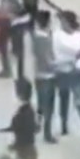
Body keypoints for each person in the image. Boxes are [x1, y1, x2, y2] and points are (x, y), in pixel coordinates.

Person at [52, 10, 80, 136]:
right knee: (66, 98)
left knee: (77, 99)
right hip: (65, 71)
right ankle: (65, 124)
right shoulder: (59, 35)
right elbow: (79, 51)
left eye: (63, 21)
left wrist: (79, 55)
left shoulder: (76, 36)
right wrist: (78, 55)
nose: (61, 24)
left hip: (71, 72)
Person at [31, 9, 58, 143]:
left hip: (38, 73)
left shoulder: (35, 36)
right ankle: (47, 133)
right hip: (48, 75)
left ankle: (37, 125)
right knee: (49, 106)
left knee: (41, 103)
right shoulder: (46, 39)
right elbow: (49, 59)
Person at [0, 78, 39, 159]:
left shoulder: (24, 113)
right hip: (26, 149)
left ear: (19, 95)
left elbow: (24, 131)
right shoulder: (27, 110)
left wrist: (14, 145)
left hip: (24, 151)